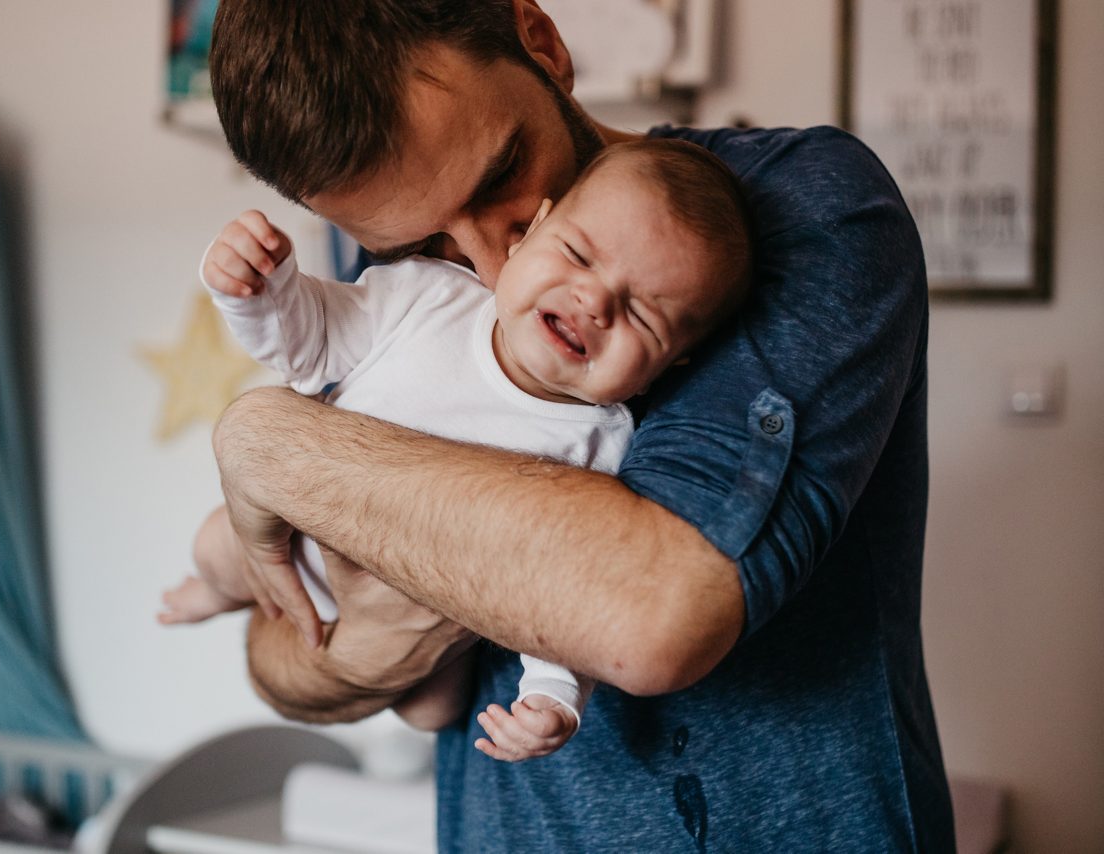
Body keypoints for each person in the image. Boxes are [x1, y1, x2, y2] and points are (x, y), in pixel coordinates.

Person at [201, 1, 953, 850]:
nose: (491, 268)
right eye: (423, 246)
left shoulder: (797, 206)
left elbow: (651, 619)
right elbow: (281, 660)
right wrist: (383, 622)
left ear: (542, 42)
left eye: (499, 182)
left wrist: (265, 441)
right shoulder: (408, 293)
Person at [159, 138, 753, 762]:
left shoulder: (602, 444)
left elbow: (554, 592)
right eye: (577, 255)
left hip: (426, 603)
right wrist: (263, 289)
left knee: (434, 710)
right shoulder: (427, 297)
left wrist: (553, 698)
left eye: (643, 315)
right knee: (213, 545)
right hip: (296, 536)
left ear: (674, 361)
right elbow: (307, 346)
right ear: (528, 233)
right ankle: (221, 593)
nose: (596, 301)